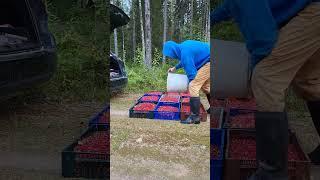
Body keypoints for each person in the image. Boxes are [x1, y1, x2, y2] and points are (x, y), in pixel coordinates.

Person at [211, 0, 320, 179]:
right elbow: (231, 5)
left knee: (266, 77)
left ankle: (272, 173)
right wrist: (212, 19)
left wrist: (255, 69)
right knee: (309, 81)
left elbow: (264, 40)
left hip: (313, 11)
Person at [163, 40, 210, 124]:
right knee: (206, 87)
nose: (172, 56)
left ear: (173, 51)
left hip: (209, 62)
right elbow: (185, 60)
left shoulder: (185, 52)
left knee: (193, 85)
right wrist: (175, 68)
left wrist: (192, 86)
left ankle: (195, 117)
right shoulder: (183, 47)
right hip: (209, 59)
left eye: (171, 55)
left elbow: (192, 74)